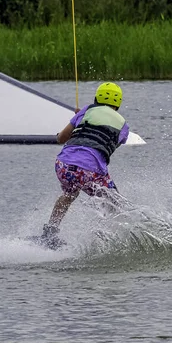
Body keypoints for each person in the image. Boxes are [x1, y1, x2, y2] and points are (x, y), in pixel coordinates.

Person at [41, 82, 130, 249]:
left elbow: (61, 138)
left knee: (69, 194)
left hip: (63, 165)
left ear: (96, 98)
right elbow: (107, 149)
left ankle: (49, 233)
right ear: (118, 104)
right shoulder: (124, 126)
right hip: (91, 172)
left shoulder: (86, 110)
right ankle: (108, 239)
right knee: (115, 203)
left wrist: (79, 119)